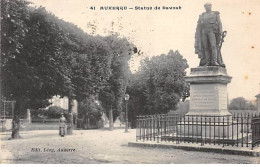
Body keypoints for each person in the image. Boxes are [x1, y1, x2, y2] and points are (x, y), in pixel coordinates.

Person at [195, 2, 225, 67]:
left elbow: (219, 23)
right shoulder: (202, 15)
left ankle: (214, 61)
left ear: (211, 6)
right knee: (205, 47)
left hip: (212, 31)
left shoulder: (215, 14)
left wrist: (221, 31)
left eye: (208, 6)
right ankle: (208, 61)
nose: (207, 7)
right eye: (205, 6)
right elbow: (199, 26)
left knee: (213, 46)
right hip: (204, 32)